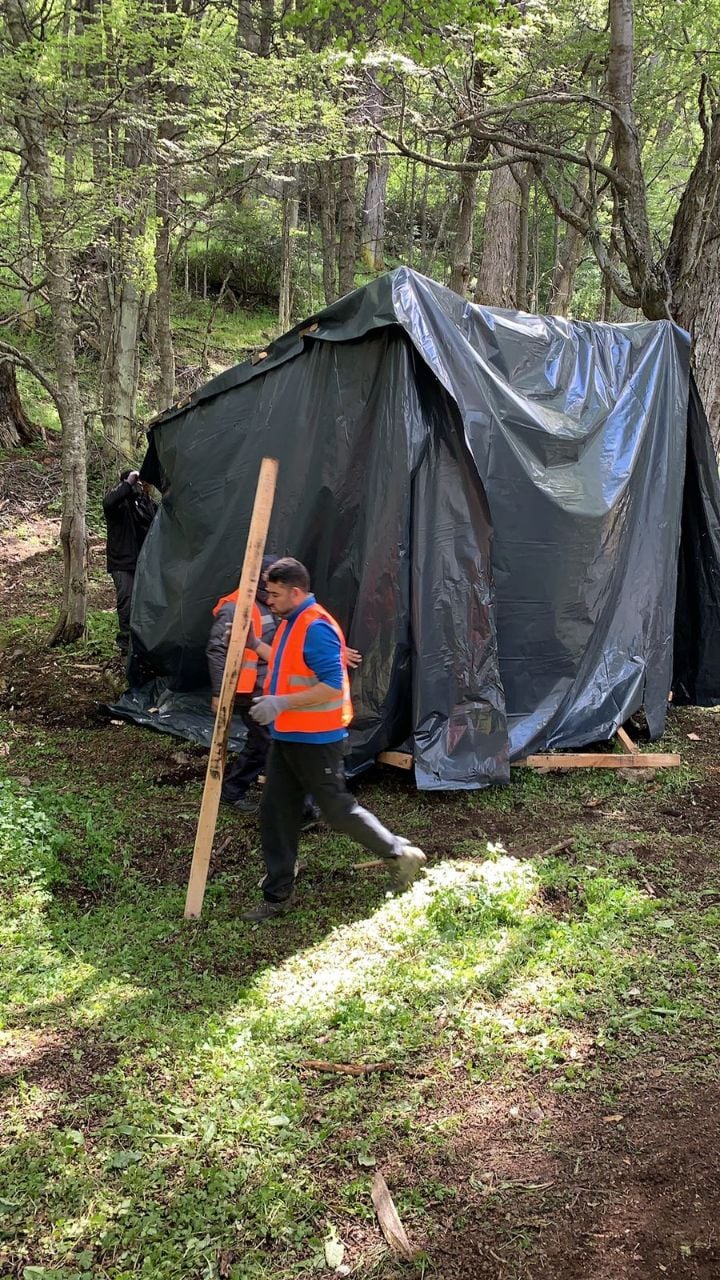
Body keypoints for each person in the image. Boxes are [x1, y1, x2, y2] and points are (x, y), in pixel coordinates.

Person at [240, 557, 426, 922]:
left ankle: (400, 854)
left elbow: (330, 687)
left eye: (275, 594)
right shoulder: (291, 622)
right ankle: (277, 893)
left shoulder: (316, 627)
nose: (269, 600)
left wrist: (281, 702)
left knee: (337, 809)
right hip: (289, 737)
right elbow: (285, 663)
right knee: (275, 812)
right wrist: (253, 645)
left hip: (316, 739)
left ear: (296, 592)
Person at [102, 468, 157, 656]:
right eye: (136, 483)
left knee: (145, 602)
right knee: (126, 600)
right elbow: (108, 502)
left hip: (143, 562)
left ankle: (143, 642)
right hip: (122, 562)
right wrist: (128, 484)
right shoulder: (117, 505)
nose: (139, 486)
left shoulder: (144, 504)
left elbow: (158, 519)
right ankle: (126, 643)